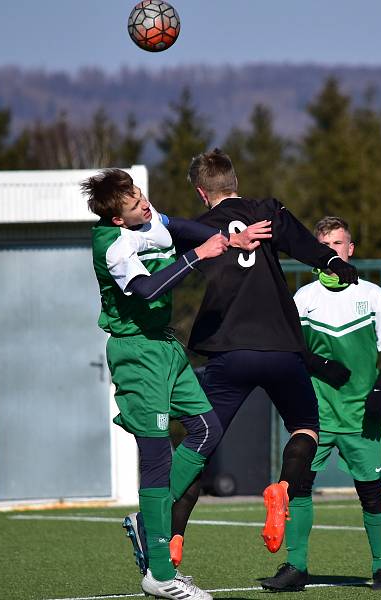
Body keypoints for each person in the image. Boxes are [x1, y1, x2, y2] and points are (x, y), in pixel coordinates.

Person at [168, 149, 359, 566]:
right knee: (306, 427)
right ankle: (283, 490)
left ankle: (173, 536)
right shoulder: (266, 211)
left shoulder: (196, 228)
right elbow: (304, 244)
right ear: (234, 181)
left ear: (202, 193)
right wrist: (331, 261)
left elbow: (165, 263)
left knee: (201, 443)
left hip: (228, 349)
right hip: (280, 346)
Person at [84, 168, 267, 600]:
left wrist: (228, 239)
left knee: (207, 428)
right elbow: (147, 290)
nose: (144, 205)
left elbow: (181, 228)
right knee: (156, 457)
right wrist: (198, 255)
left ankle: (150, 522)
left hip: (165, 346)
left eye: (141, 195)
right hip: (137, 354)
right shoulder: (112, 246)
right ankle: (160, 574)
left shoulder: (145, 220)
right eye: (134, 204)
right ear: (116, 219)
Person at [261, 216, 381, 592]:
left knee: (370, 492)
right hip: (316, 417)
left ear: (351, 249)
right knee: (299, 488)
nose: (332, 252)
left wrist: (379, 394)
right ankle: (296, 567)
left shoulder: (373, 295)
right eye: (324, 247)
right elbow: (289, 350)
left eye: (338, 245)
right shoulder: (303, 298)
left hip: (362, 417)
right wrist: (320, 365)